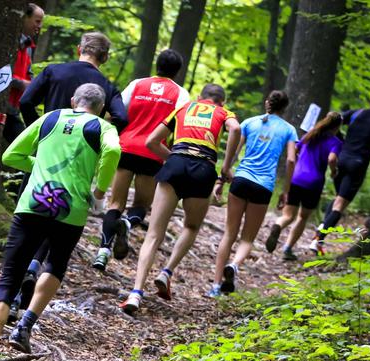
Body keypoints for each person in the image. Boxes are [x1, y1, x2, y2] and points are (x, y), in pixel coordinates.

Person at [0, 83, 120, 361]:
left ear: (73, 100)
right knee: (56, 263)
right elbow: (115, 151)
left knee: (7, 282)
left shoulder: (50, 117)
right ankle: (25, 325)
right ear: (101, 108)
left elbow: (12, 154)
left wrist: (38, 165)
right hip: (71, 208)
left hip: (33, 204)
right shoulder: (102, 127)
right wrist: (100, 190)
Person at [8, 31, 128, 322]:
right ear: (105, 57)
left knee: (29, 224)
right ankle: (32, 282)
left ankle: (13, 297)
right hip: (77, 169)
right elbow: (121, 118)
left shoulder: (54, 71)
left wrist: (36, 134)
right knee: (59, 223)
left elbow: (25, 101)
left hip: (43, 162)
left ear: (80, 49)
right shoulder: (107, 86)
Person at [120, 84, 240, 313]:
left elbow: (151, 142)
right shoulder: (225, 113)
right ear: (221, 102)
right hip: (204, 168)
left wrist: (172, 158)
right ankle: (167, 272)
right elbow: (234, 130)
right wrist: (225, 168)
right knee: (192, 226)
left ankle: (135, 293)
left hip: (175, 164)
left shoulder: (184, 108)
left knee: (154, 234)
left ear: (200, 97)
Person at [92, 49, 191, 271]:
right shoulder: (181, 94)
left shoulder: (138, 84)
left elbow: (118, 112)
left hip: (125, 147)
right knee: (141, 205)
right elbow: (180, 125)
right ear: (177, 71)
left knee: (115, 202)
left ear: (157, 65)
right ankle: (127, 224)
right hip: (153, 152)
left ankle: (103, 251)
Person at [207, 90, 298, 297]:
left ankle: (215, 286)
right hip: (263, 187)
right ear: (285, 108)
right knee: (247, 239)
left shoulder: (249, 122)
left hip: (240, 180)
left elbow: (234, 153)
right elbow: (292, 160)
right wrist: (285, 192)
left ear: (268, 103)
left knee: (229, 234)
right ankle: (235, 265)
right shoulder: (289, 129)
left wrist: (222, 179)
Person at [310, 86, 370, 255]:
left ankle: (321, 229)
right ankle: (318, 240)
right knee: (340, 204)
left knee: (337, 200)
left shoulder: (357, 113)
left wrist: (341, 138)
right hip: (358, 165)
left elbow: (332, 120)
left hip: (341, 159)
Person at [265, 112, 342, 260]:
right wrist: (334, 171)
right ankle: (287, 249)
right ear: (337, 126)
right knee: (302, 217)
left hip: (296, 178)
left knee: (288, 216)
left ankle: (278, 226)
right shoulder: (336, 142)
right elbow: (332, 159)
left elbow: (295, 149)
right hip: (314, 183)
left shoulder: (310, 135)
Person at [3, 3, 45, 143]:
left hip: (13, 109)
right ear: (24, 17)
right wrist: (22, 84)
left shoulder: (28, 46)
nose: (39, 26)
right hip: (1, 106)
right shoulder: (8, 42)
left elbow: (29, 73)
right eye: (37, 21)